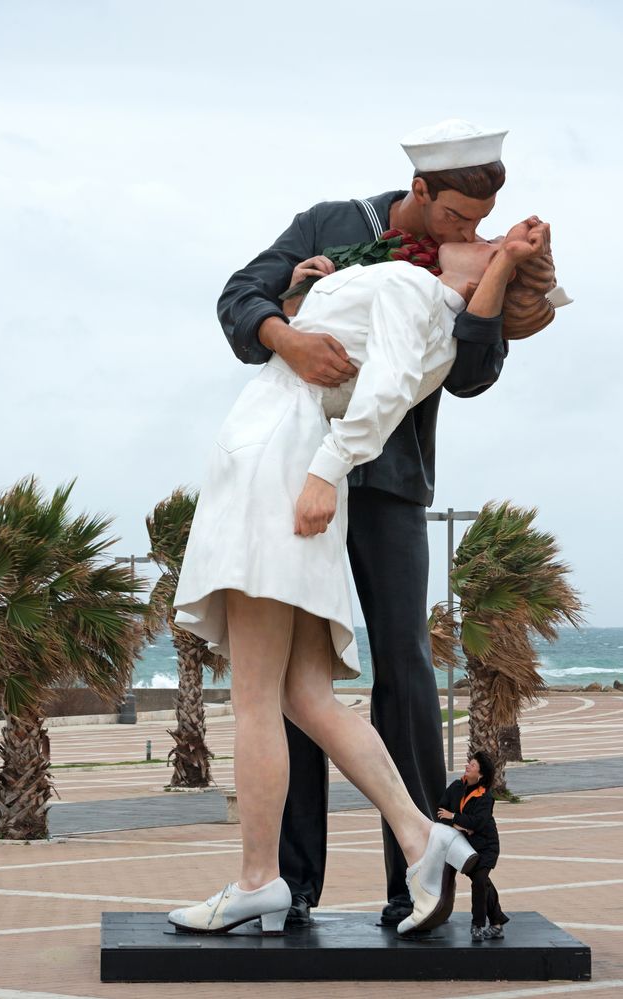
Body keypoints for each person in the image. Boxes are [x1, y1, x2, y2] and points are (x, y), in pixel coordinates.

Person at [168, 216, 559, 938]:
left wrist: (323, 472)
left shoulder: (417, 289)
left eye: (484, 241)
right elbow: (367, 371)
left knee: (256, 694)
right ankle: (421, 837)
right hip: (296, 458)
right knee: (304, 693)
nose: (476, 231)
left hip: (278, 460)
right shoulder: (426, 309)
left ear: (480, 280)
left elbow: (378, 393)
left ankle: (259, 880)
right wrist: (303, 298)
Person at [216, 118, 518, 926]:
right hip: (298, 468)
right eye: (456, 218)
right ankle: (290, 887)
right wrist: (286, 335)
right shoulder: (329, 221)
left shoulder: (464, 267)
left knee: (404, 667)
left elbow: (473, 375)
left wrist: (491, 291)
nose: (469, 232)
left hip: (386, 483)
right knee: (291, 680)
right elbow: (239, 295)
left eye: (479, 223)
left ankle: (414, 881)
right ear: (418, 192)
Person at [437, 751, 509, 942]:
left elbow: (479, 822)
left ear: (481, 774)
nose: (468, 765)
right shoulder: (456, 786)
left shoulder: (485, 796)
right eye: (470, 762)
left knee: (479, 881)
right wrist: (460, 825)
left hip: (486, 846)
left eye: (474, 765)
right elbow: (440, 812)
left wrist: (454, 818)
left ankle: (477, 925)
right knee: (483, 882)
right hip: (465, 846)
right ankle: (497, 924)